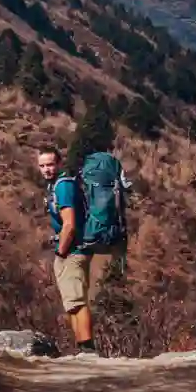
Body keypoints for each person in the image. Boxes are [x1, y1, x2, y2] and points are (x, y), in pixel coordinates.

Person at [36, 146, 124, 355]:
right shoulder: (62, 185)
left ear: (59, 164)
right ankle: (83, 348)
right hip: (77, 250)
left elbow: (70, 225)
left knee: (76, 302)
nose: (46, 169)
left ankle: (87, 349)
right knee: (73, 302)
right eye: (42, 166)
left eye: (50, 164)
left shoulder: (63, 187)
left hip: (73, 251)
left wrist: (60, 252)